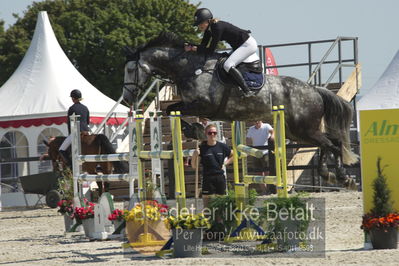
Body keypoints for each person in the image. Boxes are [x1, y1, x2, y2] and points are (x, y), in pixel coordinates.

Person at [185, 8, 260, 96]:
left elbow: (210, 50)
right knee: (224, 63)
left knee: (228, 65)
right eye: (198, 24)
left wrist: (195, 49)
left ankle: (247, 91)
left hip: (247, 44)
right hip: (239, 46)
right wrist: (189, 45)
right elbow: (203, 46)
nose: (199, 26)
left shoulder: (216, 27)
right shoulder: (209, 30)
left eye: (200, 23)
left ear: (208, 21)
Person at [191, 124, 233, 209]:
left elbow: (233, 155)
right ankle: (208, 221)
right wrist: (194, 155)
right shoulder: (202, 148)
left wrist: (225, 163)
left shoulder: (222, 146)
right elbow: (194, 166)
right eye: (210, 133)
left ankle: (220, 222)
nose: (212, 135)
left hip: (220, 178)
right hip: (207, 178)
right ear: (206, 134)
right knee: (207, 206)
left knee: (221, 205)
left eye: (214, 132)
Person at [58, 89, 90, 168]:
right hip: (86, 132)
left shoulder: (72, 108)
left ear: (73, 98)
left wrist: (70, 134)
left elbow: (70, 123)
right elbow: (87, 121)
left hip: (76, 133)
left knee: (61, 149)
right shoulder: (85, 108)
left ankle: (70, 165)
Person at [246, 121, 275, 194]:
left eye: (258, 121)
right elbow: (248, 140)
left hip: (265, 152)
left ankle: (269, 189)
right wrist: (248, 150)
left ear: (261, 121)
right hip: (255, 153)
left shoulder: (266, 126)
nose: (256, 122)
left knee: (267, 171)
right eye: (255, 121)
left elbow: (273, 131)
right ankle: (264, 190)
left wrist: (272, 136)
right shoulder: (251, 129)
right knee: (258, 172)